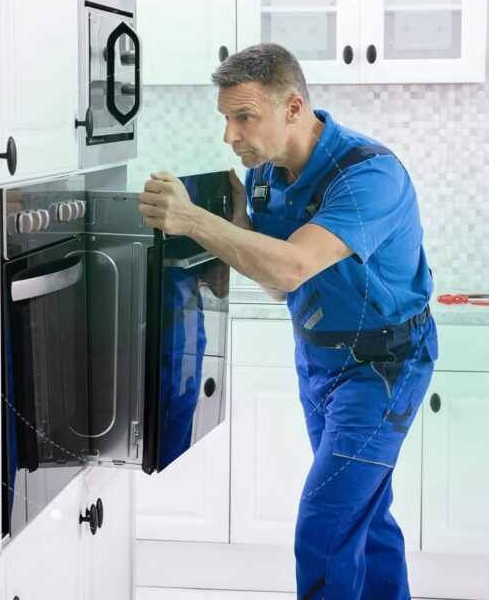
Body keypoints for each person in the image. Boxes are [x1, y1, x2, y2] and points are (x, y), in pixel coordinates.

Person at [138, 42, 438, 600]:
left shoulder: (368, 175)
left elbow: (294, 265)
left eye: (243, 117)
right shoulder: (265, 176)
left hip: (384, 366)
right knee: (365, 515)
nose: (230, 135)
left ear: (294, 107)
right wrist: (237, 221)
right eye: (226, 118)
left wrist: (194, 220)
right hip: (318, 360)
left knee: (326, 521)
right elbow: (280, 288)